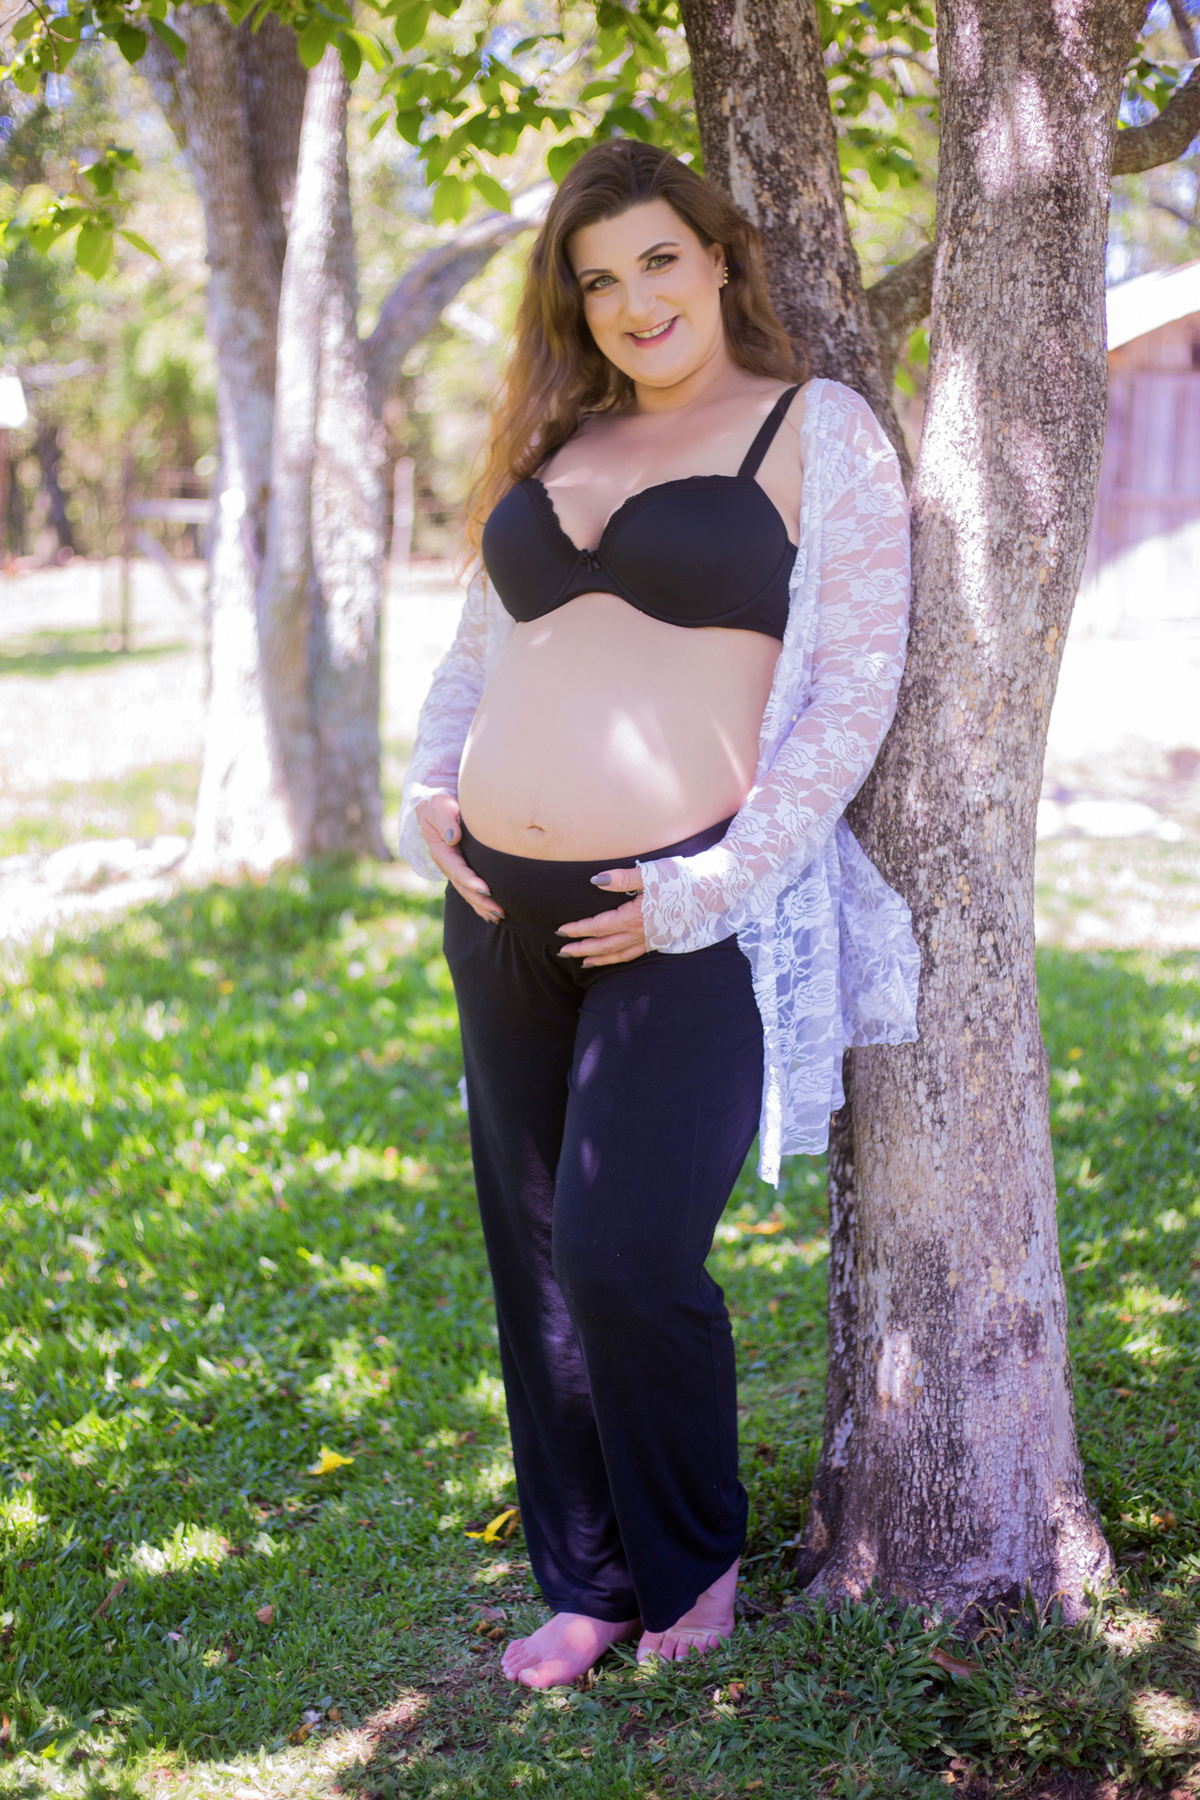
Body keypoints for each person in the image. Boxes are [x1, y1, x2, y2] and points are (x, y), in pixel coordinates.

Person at [398, 139, 918, 1690]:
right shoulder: (559, 438)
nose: (632, 301)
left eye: (658, 263)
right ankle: (591, 1581)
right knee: (539, 1247)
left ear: (720, 261)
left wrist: (710, 888)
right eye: (598, 278)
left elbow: (852, 690)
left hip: (689, 905)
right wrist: (435, 789)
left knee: (626, 1251)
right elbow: (474, 658)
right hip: (501, 904)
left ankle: (692, 1567)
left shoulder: (812, 430)